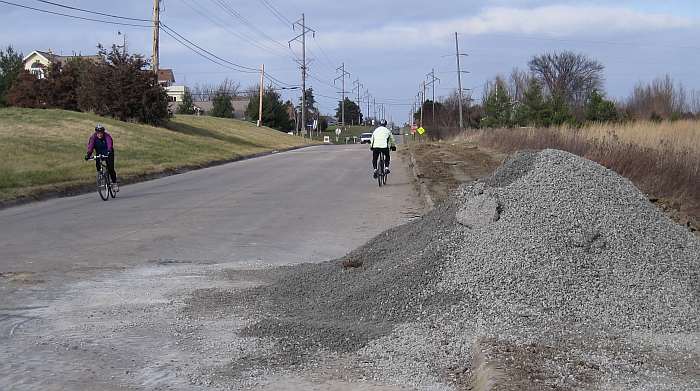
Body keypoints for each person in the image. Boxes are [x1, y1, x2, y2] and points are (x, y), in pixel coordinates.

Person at [85, 124, 119, 191]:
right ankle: (100, 175)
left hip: (108, 152)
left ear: (103, 132)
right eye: (98, 133)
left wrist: (109, 150)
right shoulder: (93, 137)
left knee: (110, 167)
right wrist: (88, 154)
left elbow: (109, 143)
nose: (99, 134)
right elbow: (91, 146)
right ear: (96, 133)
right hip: (99, 152)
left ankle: (114, 183)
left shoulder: (107, 136)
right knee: (98, 166)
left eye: (101, 133)